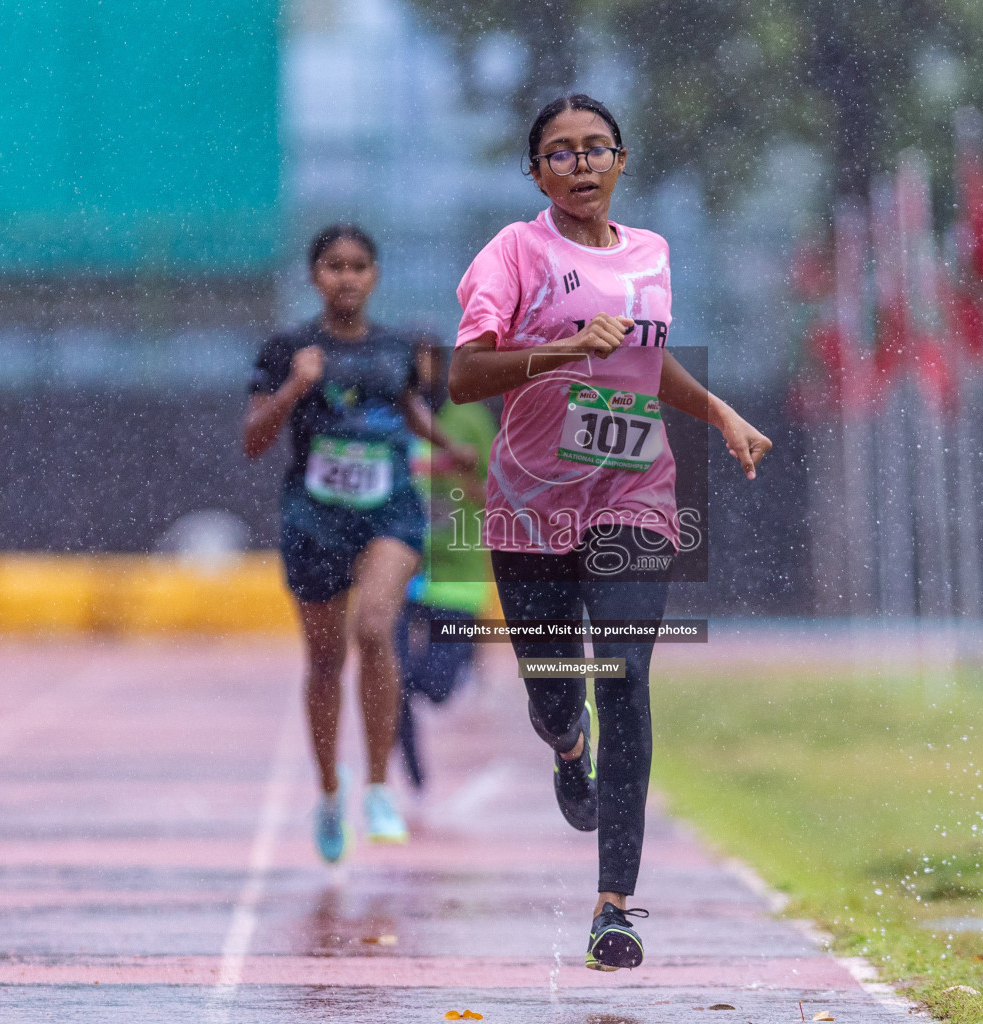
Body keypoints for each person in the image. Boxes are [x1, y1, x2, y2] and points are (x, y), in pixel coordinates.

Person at [447, 94, 772, 971]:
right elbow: (464, 375)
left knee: (624, 672)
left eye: (596, 149)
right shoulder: (513, 253)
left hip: (636, 495)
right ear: (536, 171)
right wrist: (560, 351)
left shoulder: (653, 254)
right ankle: (564, 740)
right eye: (561, 153)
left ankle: (614, 908)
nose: (581, 164)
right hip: (529, 509)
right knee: (559, 686)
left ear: (621, 161)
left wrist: (717, 413)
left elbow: (642, 359)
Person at [244, 224, 475, 864]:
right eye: (333, 266)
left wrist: (446, 447)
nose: (346, 277)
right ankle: (327, 791)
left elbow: (409, 410)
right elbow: (253, 439)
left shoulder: (401, 347)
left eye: (358, 266)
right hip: (314, 520)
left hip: (389, 515)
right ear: (314, 275)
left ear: (374, 275)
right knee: (324, 663)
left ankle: (377, 786)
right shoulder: (287, 347)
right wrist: (294, 386)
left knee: (375, 629)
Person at [394, 331, 498, 790]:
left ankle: (402, 703)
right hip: (400, 569)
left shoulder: (470, 421)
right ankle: (407, 762)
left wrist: (459, 480)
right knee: (387, 673)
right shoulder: (391, 418)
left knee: (433, 686)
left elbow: (503, 492)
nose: (420, 373)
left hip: (458, 573)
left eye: (427, 362)